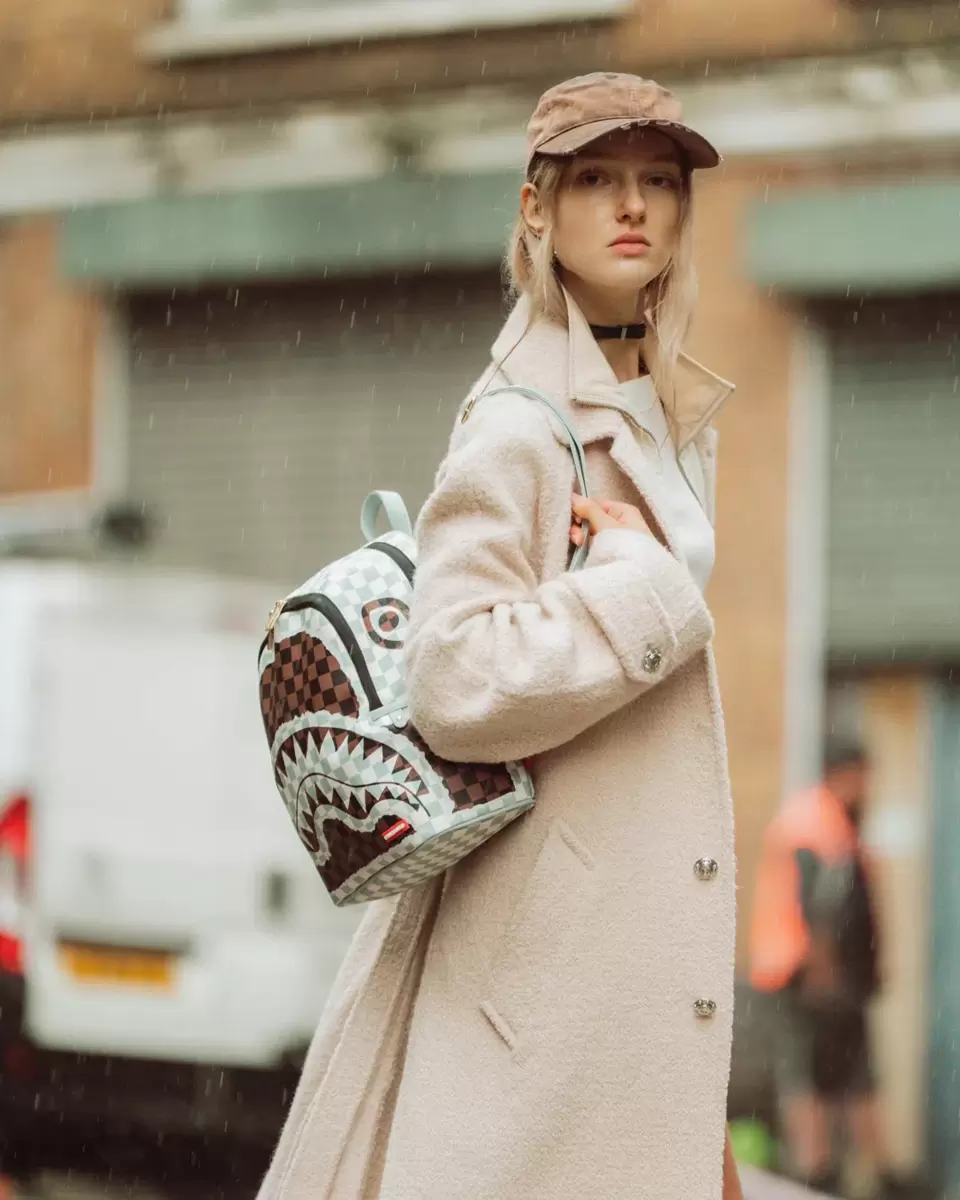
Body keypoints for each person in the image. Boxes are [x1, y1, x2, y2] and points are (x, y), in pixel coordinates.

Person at [259, 72, 741, 1199]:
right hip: (545, 969)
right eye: (597, 179)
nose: (634, 205)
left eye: (659, 181)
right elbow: (455, 674)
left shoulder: (667, 417)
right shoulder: (520, 425)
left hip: (619, 953)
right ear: (537, 210)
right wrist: (644, 589)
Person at [749, 739, 907, 1198]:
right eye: (864, 777)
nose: (868, 788)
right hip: (802, 977)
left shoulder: (828, 819)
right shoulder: (817, 822)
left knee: (846, 1076)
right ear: (846, 774)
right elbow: (818, 905)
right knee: (811, 1075)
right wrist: (825, 979)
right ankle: (818, 1173)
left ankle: (856, 1174)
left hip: (821, 979)